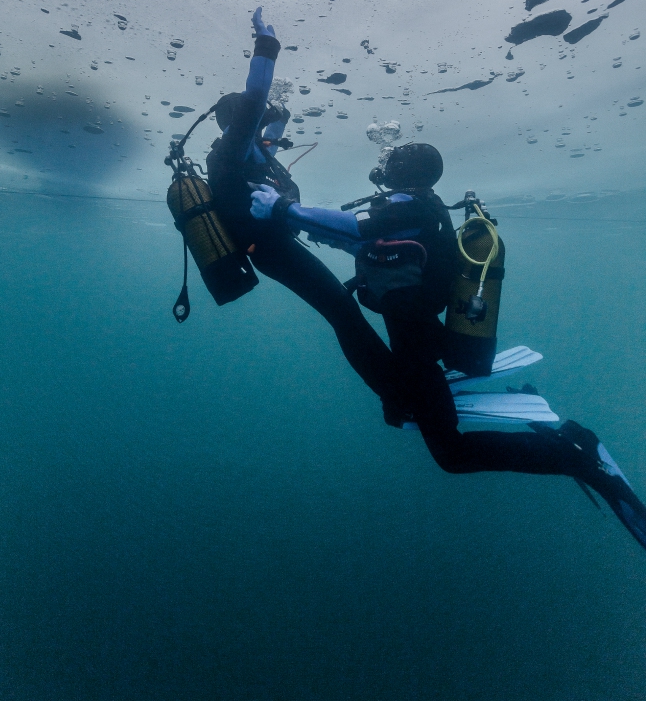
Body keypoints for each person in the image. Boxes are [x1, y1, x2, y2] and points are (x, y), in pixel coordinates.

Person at [249, 142, 646, 552]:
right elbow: (366, 243)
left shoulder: (408, 208)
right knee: (401, 406)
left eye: (388, 160)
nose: (381, 165)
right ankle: (551, 442)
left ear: (402, 170)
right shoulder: (422, 207)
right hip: (418, 340)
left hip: (418, 349)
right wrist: (309, 223)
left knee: (451, 454)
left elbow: (359, 228)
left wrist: (284, 209)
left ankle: (574, 455)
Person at [205, 7, 403, 412]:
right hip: (272, 251)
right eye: (253, 117)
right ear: (239, 120)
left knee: (343, 309)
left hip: (279, 243)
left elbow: (274, 120)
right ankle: (397, 396)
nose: (262, 122)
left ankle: (397, 385)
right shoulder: (230, 152)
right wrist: (267, 44)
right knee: (342, 312)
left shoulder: (254, 152)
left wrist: (281, 109)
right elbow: (257, 100)